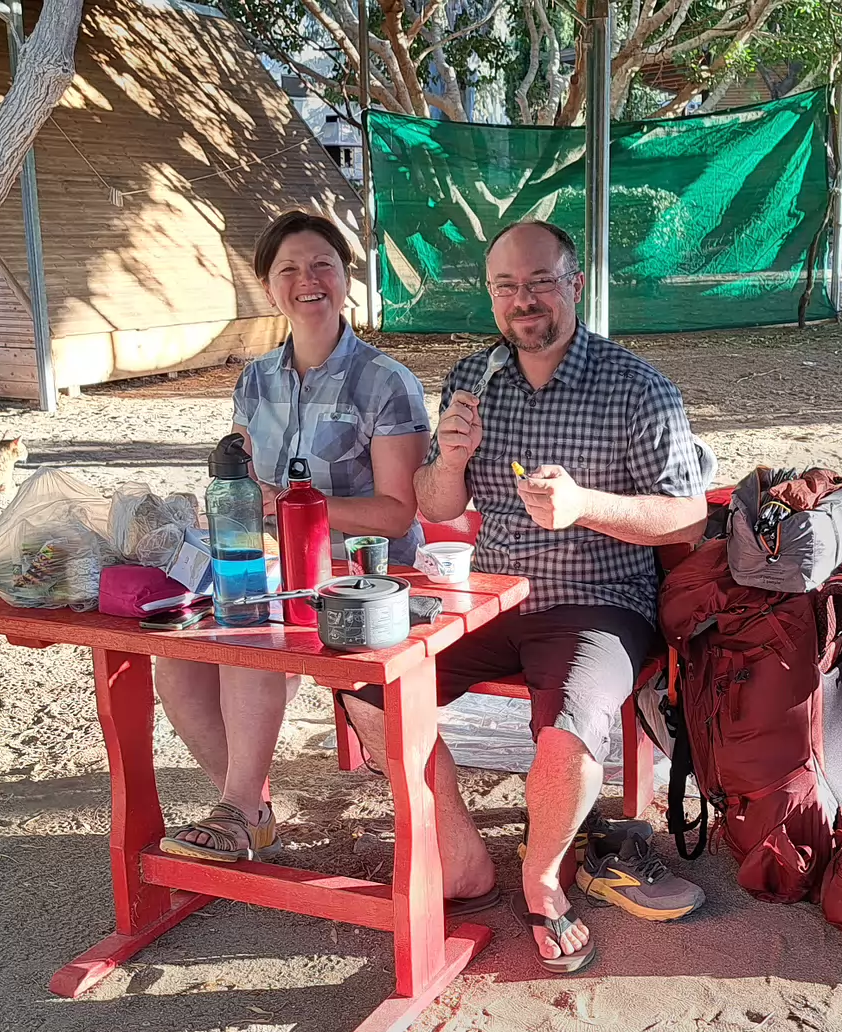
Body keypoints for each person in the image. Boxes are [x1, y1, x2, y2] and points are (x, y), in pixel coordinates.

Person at [341, 220, 713, 973]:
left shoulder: (635, 387)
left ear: (575, 283)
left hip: (598, 600)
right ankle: (461, 854)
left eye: (541, 281)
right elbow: (436, 506)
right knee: (366, 686)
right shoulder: (473, 379)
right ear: (491, 295)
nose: (524, 300)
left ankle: (542, 878)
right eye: (506, 286)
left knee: (567, 732)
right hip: (491, 597)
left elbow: (688, 517)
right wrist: (450, 460)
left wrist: (584, 506)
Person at [155, 210, 430, 863]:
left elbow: (397, 515)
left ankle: (238, 810)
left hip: (367, 576)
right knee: (178, 664)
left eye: (322, 265)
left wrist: (296, 507)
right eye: (289, 270)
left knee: (247, 636)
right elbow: (242, 483)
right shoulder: (255, 380)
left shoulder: (386, 381)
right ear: (268, 287)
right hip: (278, 570)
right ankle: (247, 806)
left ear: (346, 278)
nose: (308, 280)